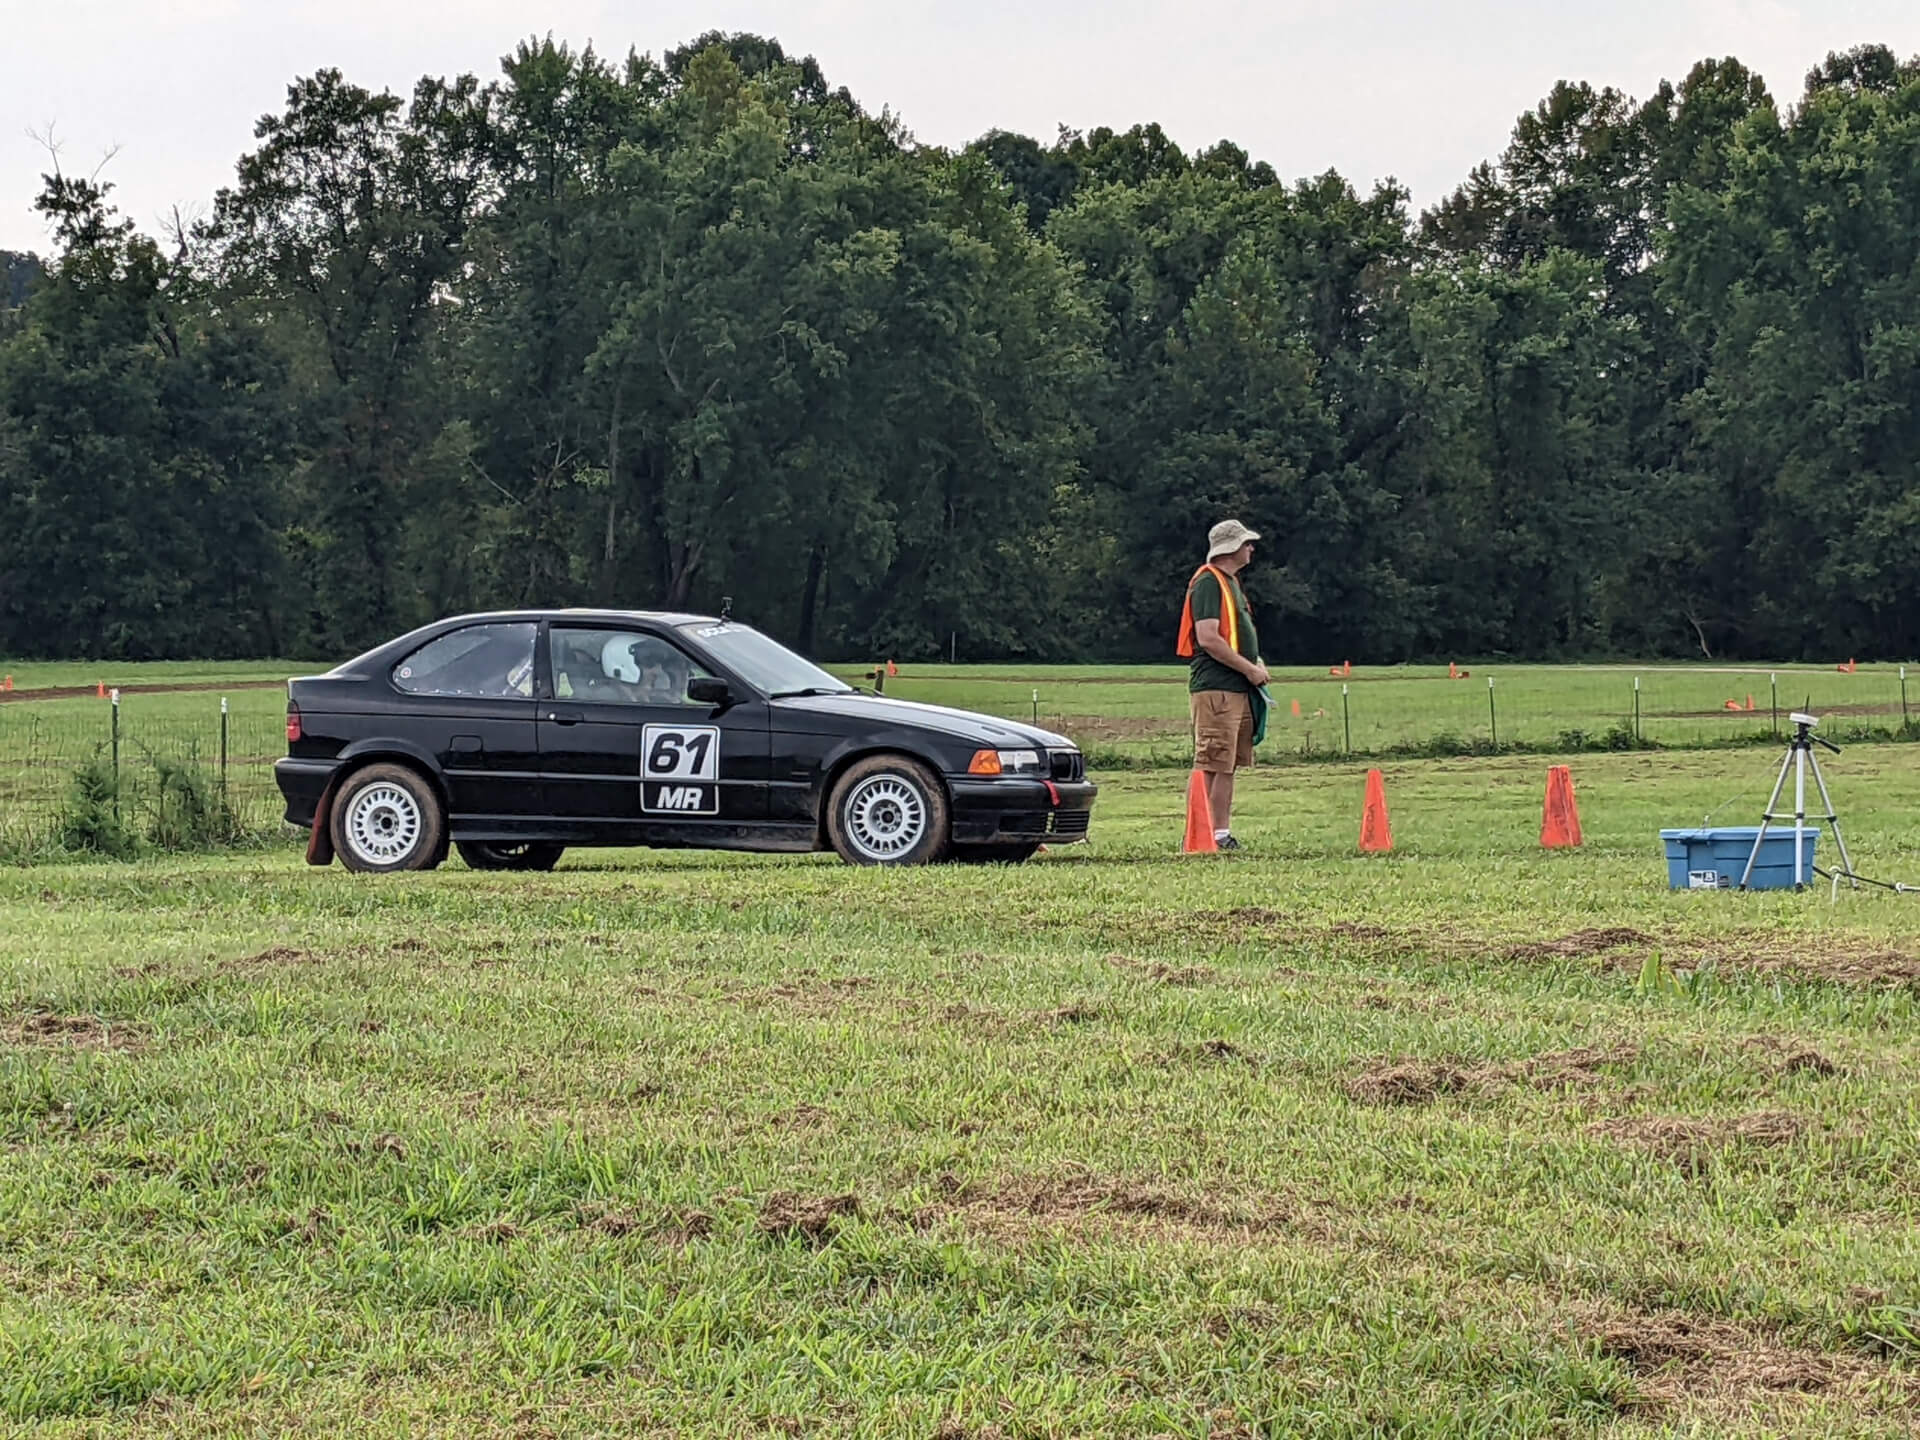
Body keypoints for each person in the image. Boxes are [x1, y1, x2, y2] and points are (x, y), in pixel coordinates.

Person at [1175, 519, 1269, 850]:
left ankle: (1220, 833)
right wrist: (1249, 668)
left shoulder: (1230, 582)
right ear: (1229, 549)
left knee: (1227, 763)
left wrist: (1253, 663)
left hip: (1235, 687)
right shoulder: (1208, 583)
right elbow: (1209, 638)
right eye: (1246, 544)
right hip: (1217, 688)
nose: (1251, 549)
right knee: (1210, 760)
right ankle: (1198, 832)